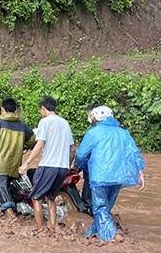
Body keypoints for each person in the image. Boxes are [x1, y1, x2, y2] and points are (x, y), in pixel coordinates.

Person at [73, 106, 146, 242]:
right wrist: (140, 172)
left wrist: (76, 166)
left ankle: (111, 238)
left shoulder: (93, 132)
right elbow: (135, 153)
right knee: (105, 208)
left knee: (100, 208)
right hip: (118, 177)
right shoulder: (124, 133)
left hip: (99, 177)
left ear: (96, 117)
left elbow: (82, 154)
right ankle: (90, 234)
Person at [19, 96, 74, 233]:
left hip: (48, 165)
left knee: (36, 197)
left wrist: (26, 163)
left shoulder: (45, 122)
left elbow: (40, 143)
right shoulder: (65, 123)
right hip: (62, 168)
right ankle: (53, 226)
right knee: (51, 198)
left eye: (40, 110)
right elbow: (72, 148)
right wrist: (67, 165)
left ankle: (40, 229)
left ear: (43, 108)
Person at [0, 98, 36, 217]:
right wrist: (24, 146)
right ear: (15, 110)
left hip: (0, 162)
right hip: (15, 163)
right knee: (3, 186)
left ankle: (9, 213)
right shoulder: (22, 125)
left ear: (3, 109)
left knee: (2, 185)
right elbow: (32, 140)